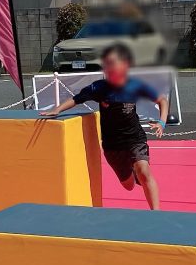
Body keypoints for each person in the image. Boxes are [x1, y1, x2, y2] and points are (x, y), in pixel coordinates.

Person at [43, 43, 168, 210]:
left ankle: (156, 213)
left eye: (113, 64)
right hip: (112, 145)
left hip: (135, 139)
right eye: (106, 65)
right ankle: (133, 172)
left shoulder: (135, 86)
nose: (109, 69)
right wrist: (57, 110)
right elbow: (76, 99)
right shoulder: (99, 88)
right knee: (128, 185)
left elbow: (162, 100)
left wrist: (161, 122)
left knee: (144, 171)